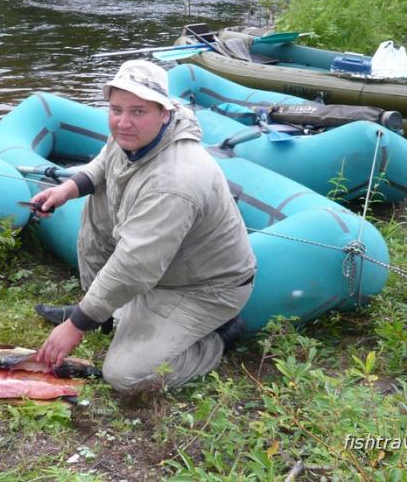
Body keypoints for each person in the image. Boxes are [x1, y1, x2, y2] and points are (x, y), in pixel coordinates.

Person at [31, 59, 256, 393]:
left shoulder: (176, 179)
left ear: (164, 113)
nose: (123, 122)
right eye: (116, 109)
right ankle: (107, 313)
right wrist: (67, 189)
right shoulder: (130, 138)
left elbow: (134, 265)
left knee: (126, 376)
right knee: (100, 193)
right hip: (164, 270)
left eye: (138, 111)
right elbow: (104, 162)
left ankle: (220, 337)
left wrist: (75, 327)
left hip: (202, 287)